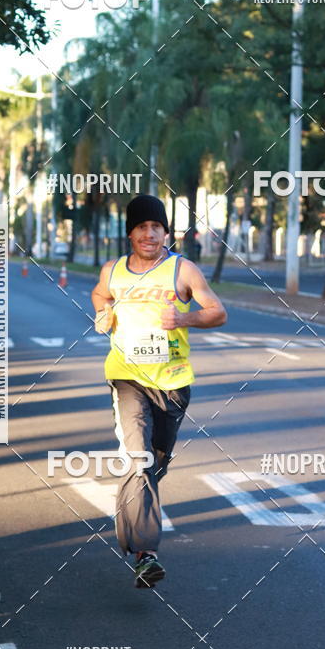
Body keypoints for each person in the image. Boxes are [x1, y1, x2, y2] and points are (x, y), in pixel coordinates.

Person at [91, 195, 227, 588]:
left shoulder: (182, 270)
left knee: (155, 464)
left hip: (172, 383)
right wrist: (103, 314)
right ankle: (147, 554)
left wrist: (185, 317)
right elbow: (102, 295)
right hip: (127, 378)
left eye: (157, 227)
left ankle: (127, 523)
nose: (150, 234)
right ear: (130, 232)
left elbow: (218, 311)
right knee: (140, 459)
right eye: (142, 227)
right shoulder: (113, 271)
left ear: (166, 232)